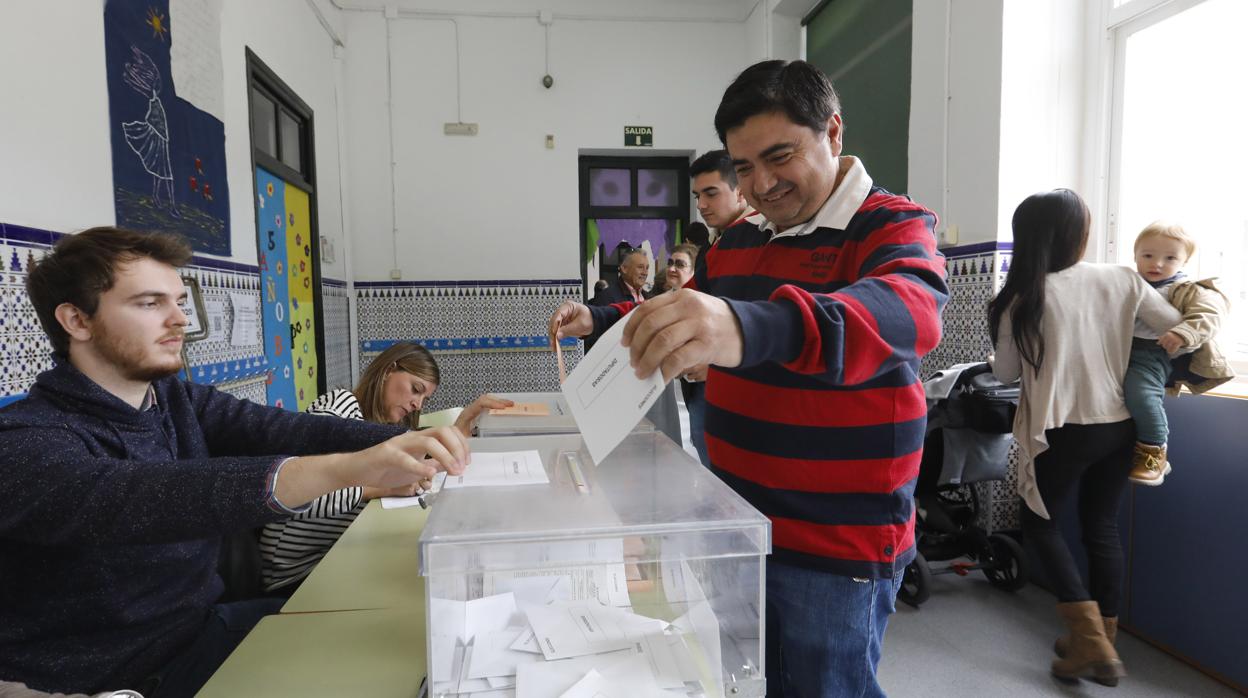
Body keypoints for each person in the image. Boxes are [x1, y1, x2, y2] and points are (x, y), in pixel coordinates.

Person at [550, 60, 948, 697]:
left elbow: (910, 311)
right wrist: (598, 317)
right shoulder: (737, 243)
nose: (761, 185)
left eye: (779, 155)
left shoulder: (890, 224)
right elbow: (680, 309)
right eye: (743, 168)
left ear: (833, 131)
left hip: (832, 543)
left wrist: (747, 327)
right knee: (742, 678)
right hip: (735, 522)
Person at [0, 227, 470, 697]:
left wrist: (415, 441)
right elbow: (142, 494)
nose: (180, 319)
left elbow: (288, 430)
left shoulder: (171, 399)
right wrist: (345, 468)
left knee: (419, 639)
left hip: (205, 630)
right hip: (121, 676)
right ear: (77, 321)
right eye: (149, 303)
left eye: (179, 301)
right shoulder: (25, 441)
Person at [987, 190, 1182, 686]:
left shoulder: (1019, 297)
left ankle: (1089, 640)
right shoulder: (1121, 278)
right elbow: (1176, 327)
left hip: (1061, 429)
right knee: (1102, 526)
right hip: (1120, 425)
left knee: (1039, 525)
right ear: (1079, 233)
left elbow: (1007, 373)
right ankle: (1100, 639)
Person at [258, 342, 512, 593]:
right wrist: (380, 488)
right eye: (416, 389)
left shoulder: (379, 429)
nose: (418, 404)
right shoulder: (340, 406)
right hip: (293, 574)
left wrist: (458, 432)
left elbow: (419, 458)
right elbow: (297, 497)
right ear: (389, 370)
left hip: (330, 557)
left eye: (424, 398)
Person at [1123, 221, 1233, 485]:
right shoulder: (1127, 281)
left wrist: (1183, 333)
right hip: (1116, 349)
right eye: (1148, 255)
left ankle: (1155, 451)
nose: (1157, 264)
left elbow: (1211, 313)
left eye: (1170, 258)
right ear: (1135, 255)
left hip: (1152, 351)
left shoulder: (1187, 288)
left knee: (1142, 395)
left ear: (1185, 261)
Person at [664, 243, 711, 465]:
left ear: (693, 273)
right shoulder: (667, 302)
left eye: (680, 265)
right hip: (683, 391)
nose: (672, 268)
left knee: (704, 445)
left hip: (705, 389)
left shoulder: (705, 306)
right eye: (670, 263)